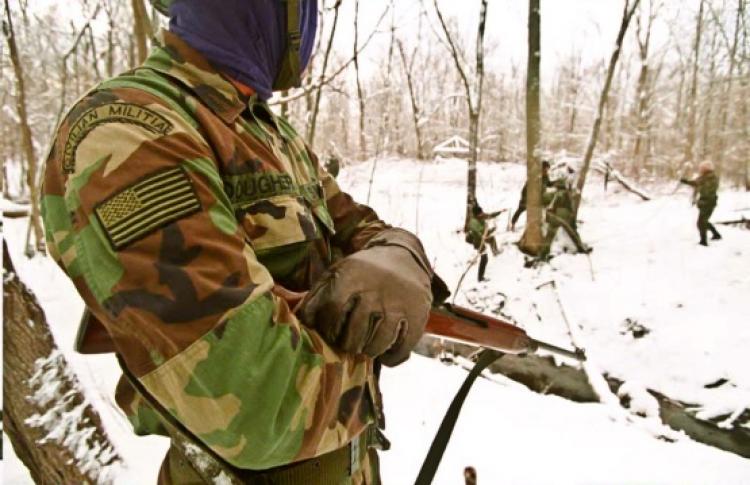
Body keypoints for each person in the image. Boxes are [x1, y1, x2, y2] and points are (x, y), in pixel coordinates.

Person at [41, 1, 446, 483]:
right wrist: (370, 337)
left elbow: (358, 225)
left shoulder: (271, 133)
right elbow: (259, 406)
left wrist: (399, 253)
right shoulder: (130, 129)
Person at [540, 175, 591, 259]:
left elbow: (543, 198)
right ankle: (581, 248)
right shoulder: (567, 193)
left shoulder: (554, 194)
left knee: (549, 236)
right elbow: (571, 207)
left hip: (555, 216)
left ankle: (543, 254)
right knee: (573, 234)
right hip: (566, 217)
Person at [681, 161, 721, 246]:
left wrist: (697, 186)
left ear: (706, 169)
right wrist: (686, 181)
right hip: (705, 202)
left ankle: (703, 241)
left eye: (702, 168)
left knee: (701, 222)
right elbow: (696, 183)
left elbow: (705, 188)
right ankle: (716, 235)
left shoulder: (711, 178)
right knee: (704, 221)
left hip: (708, 202)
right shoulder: (704, 177)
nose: (700, 170)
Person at [510, 160, 552, 231]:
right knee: (520, 210)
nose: (546, 171)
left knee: (544, 209)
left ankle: (541, 224)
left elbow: (549, 184)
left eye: (547, 169)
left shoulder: (546, 177)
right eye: (545, 169)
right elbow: (525, 188)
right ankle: (513, 224)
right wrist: (525, 199)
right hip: (528, 197)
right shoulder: (535, 176)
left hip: (538, 198)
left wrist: (558, 183)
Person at [466, 202, 501, 282]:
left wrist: (500, 212)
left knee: (492, 239)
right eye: (481, 213)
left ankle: (495, 251)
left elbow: (489, 215)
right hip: (477, 241)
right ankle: (480, 278)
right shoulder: (474, 223)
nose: (482, 214)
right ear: (477, 214)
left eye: (482, 213)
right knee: (484, 258)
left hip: (482, 236)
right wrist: (492, 230)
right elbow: (483, 234)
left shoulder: (481, 216)